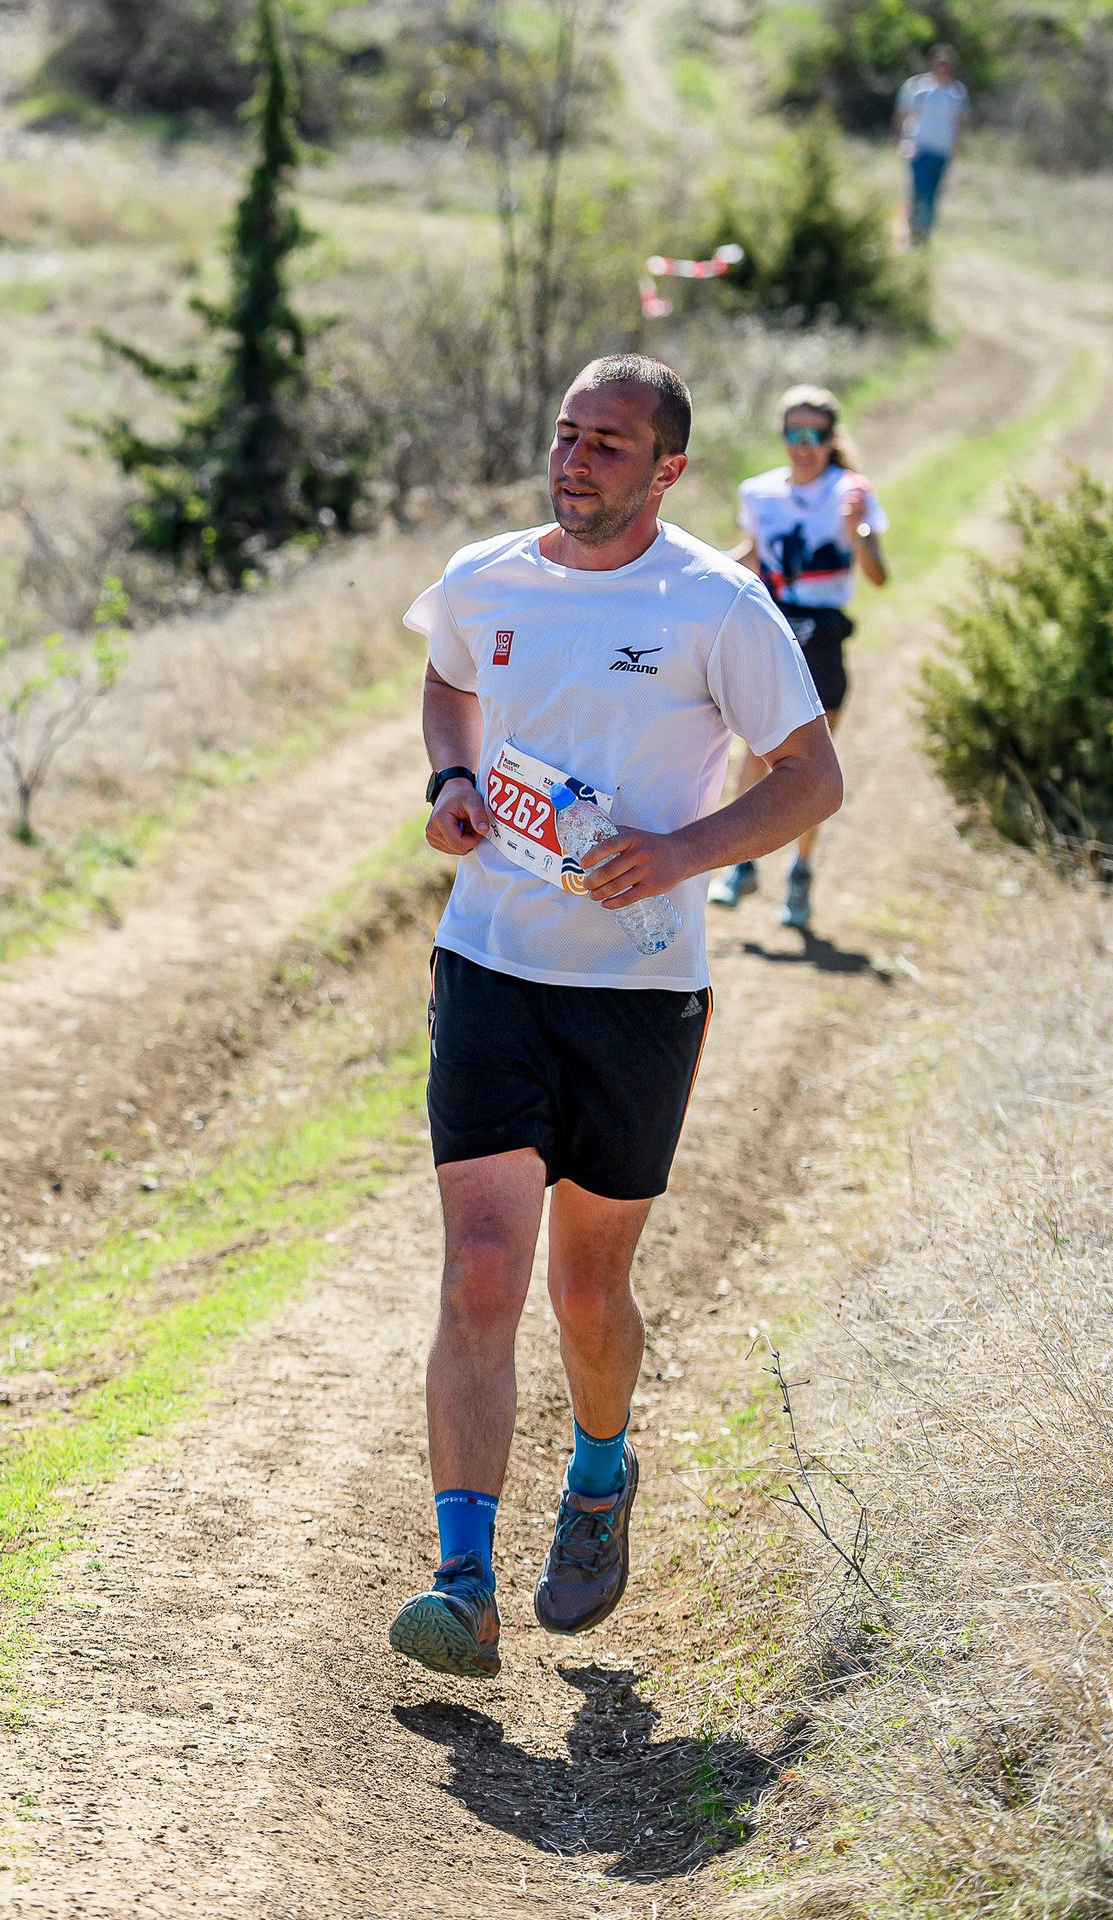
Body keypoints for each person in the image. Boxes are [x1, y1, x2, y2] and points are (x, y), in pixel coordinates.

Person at [388, 355, 843, 1679]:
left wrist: (681, 852)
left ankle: (599, 1474)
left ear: (667, 469)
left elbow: (812, 779)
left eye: (609, 444)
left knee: (589, 1293)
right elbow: (445, 675)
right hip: (488, 962)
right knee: (482, 1270)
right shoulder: (487, 576)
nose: (576, 460)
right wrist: (454, 774)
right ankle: (460, 1581)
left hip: (641, 990)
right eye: (567, 436)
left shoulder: (716, 604)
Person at [710, 385, 887, 929]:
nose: (803, 445)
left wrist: (858, 530)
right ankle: (741, 866)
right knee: (752, 753)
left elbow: (879, 575)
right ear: (782, 436)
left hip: (826, 636)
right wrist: (693, 572)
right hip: (774, 628)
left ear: (832, 438)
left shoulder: (851, 491)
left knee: (811, 764)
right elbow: (752, 557)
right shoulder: (759, 493)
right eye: (793, 433)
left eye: (815, 434)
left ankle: (800, 872)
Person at [895, 45, 969, 246]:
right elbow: (903, 113)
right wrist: (900, 139)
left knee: (932, 195)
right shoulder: (918, 87)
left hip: (942, 151)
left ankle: (923, 235)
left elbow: (960, 123)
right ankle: (911, 232)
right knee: (919, 191)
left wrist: (956, 149)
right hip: (920, 148)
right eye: (940, 63)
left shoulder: (956, 93)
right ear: (933, 63)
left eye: (947, 64)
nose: (942, 68)